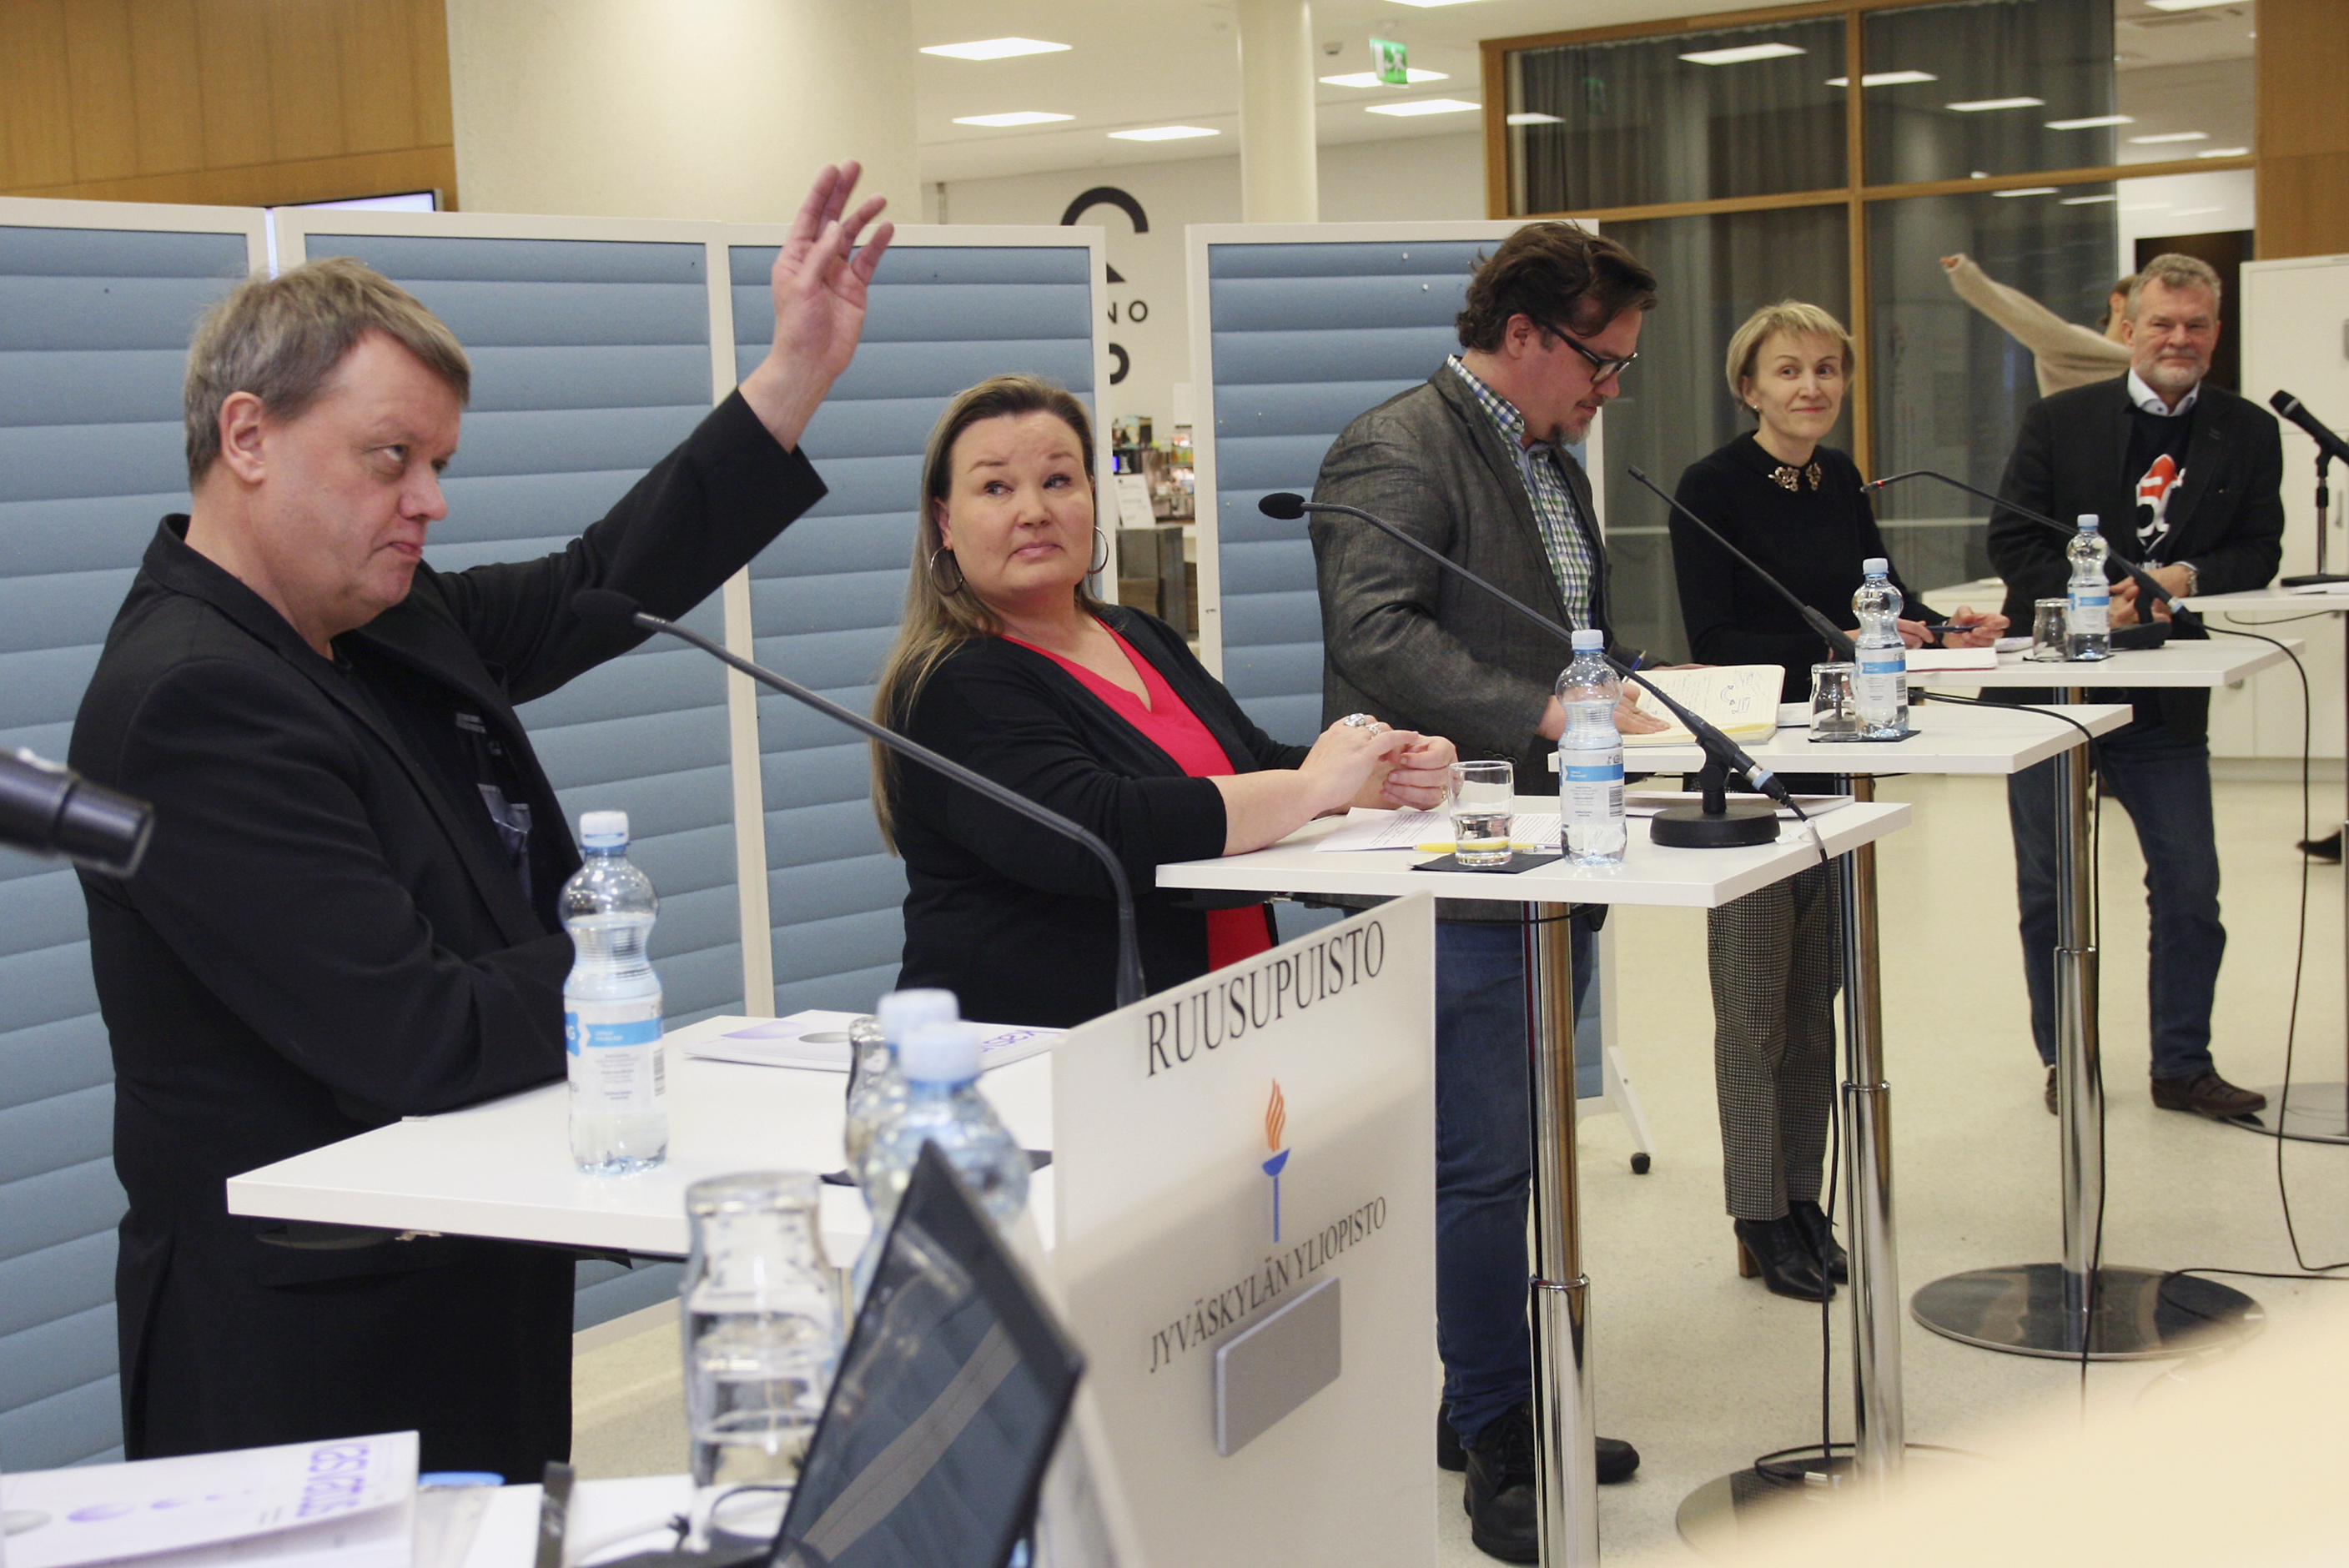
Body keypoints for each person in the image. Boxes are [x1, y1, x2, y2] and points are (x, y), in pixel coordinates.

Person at [68, 165, 893, 1477]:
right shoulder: (193, 701)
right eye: (390, 459)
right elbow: (425, 1036)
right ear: (248, 437)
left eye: (438, 465)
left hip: (457, 1285)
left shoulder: (372, 624)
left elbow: (596, 584)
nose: (430, 501)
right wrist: (597, 968)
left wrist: (793, 374)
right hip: (313, 1355)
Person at [1309, 221, 1664, 1562]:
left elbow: (1562, 631)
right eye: (1600, 362)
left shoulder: (1547, 457)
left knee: (1528, 1143)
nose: (1608, 389)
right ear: (1523, 333)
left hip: (1553, 842)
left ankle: (1491, 1398)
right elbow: (1376, 635)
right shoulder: (1397, 447)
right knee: (1480, 1160)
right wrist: (1547, 715)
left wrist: (1623, 692)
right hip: (1454, 854)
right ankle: (1499, 1430)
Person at [875, 374, 1456, 1028]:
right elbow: (1103, 831)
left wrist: (1377, 776)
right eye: (996, 488)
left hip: (1221, 1022)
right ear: (945, 522)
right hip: (1052, 1051)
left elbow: (1250, 762)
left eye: (1059, 480)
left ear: (1092, 496)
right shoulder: (950, 685)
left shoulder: (1136, 633)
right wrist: (1313, 787)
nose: (1033, 510)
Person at [1670, 301, 2004, 1300]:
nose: (1810, 386)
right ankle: (1755, 1209)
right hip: (1750, 764)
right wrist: (1837, 647)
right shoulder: (1711, 486)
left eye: (1826, 368)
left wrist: (1941, 626)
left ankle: (1800, 1195)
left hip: (1837, 759)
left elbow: (1881, 594)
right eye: (1787, 370)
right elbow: (1715, 639)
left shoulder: (1839, 477)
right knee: (1753, 1006)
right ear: (1748, 387)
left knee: (1814, 1001)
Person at [1987, 253, 2285, 1120]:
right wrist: (2092, 598)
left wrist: (2185, 577)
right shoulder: (2057, 420)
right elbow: (2010, 542)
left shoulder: (2247, 430)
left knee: (2189, 886)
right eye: (2161, 322)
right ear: (2128, 327)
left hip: (2164, 696)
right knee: (2049, 889)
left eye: (2195, 325)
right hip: (2052, 696)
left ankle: (2181, 1065)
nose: (2178, 338)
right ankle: (2066, 1058)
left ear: (2215, 334)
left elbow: (2258, 550)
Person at [1941, 254, 2134, 398]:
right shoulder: (2073, 347)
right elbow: (2023, 317)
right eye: (2141, 300)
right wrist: (1968, 278)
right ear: (2118, 301)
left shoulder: (2146, 369)